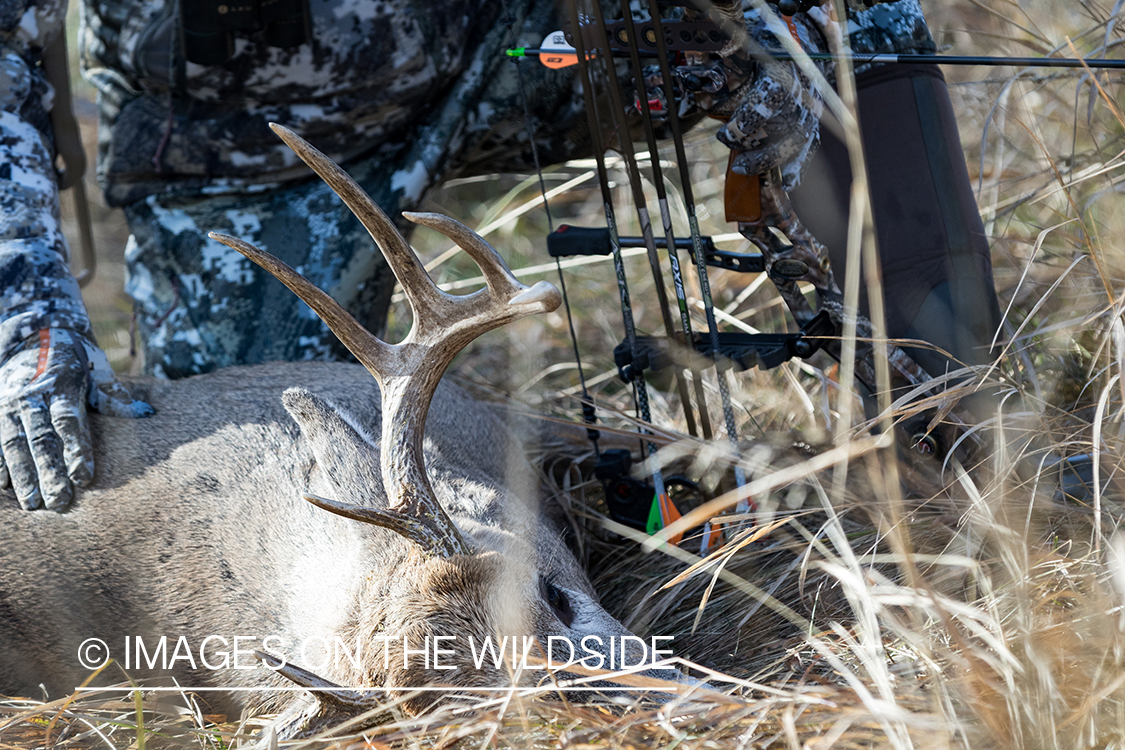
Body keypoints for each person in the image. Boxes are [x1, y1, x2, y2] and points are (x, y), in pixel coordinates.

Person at [0, 0, 1001, 512]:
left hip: (519, 52)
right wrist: (26, 318)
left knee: (838, 17)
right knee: (254, 489)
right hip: (244, 156)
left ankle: (964, 426)